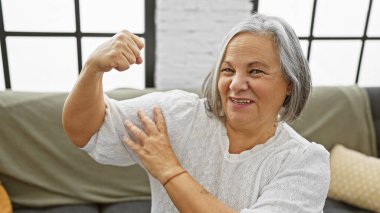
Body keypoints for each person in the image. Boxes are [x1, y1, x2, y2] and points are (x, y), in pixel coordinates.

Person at [62, 13, 330, 213]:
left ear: (290, 84)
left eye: (255, 71)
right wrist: (93, 69)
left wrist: (169, 170)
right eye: (228, 70)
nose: (236, 84)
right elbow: (85, 131)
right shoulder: (179, 115)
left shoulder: (305, 163)